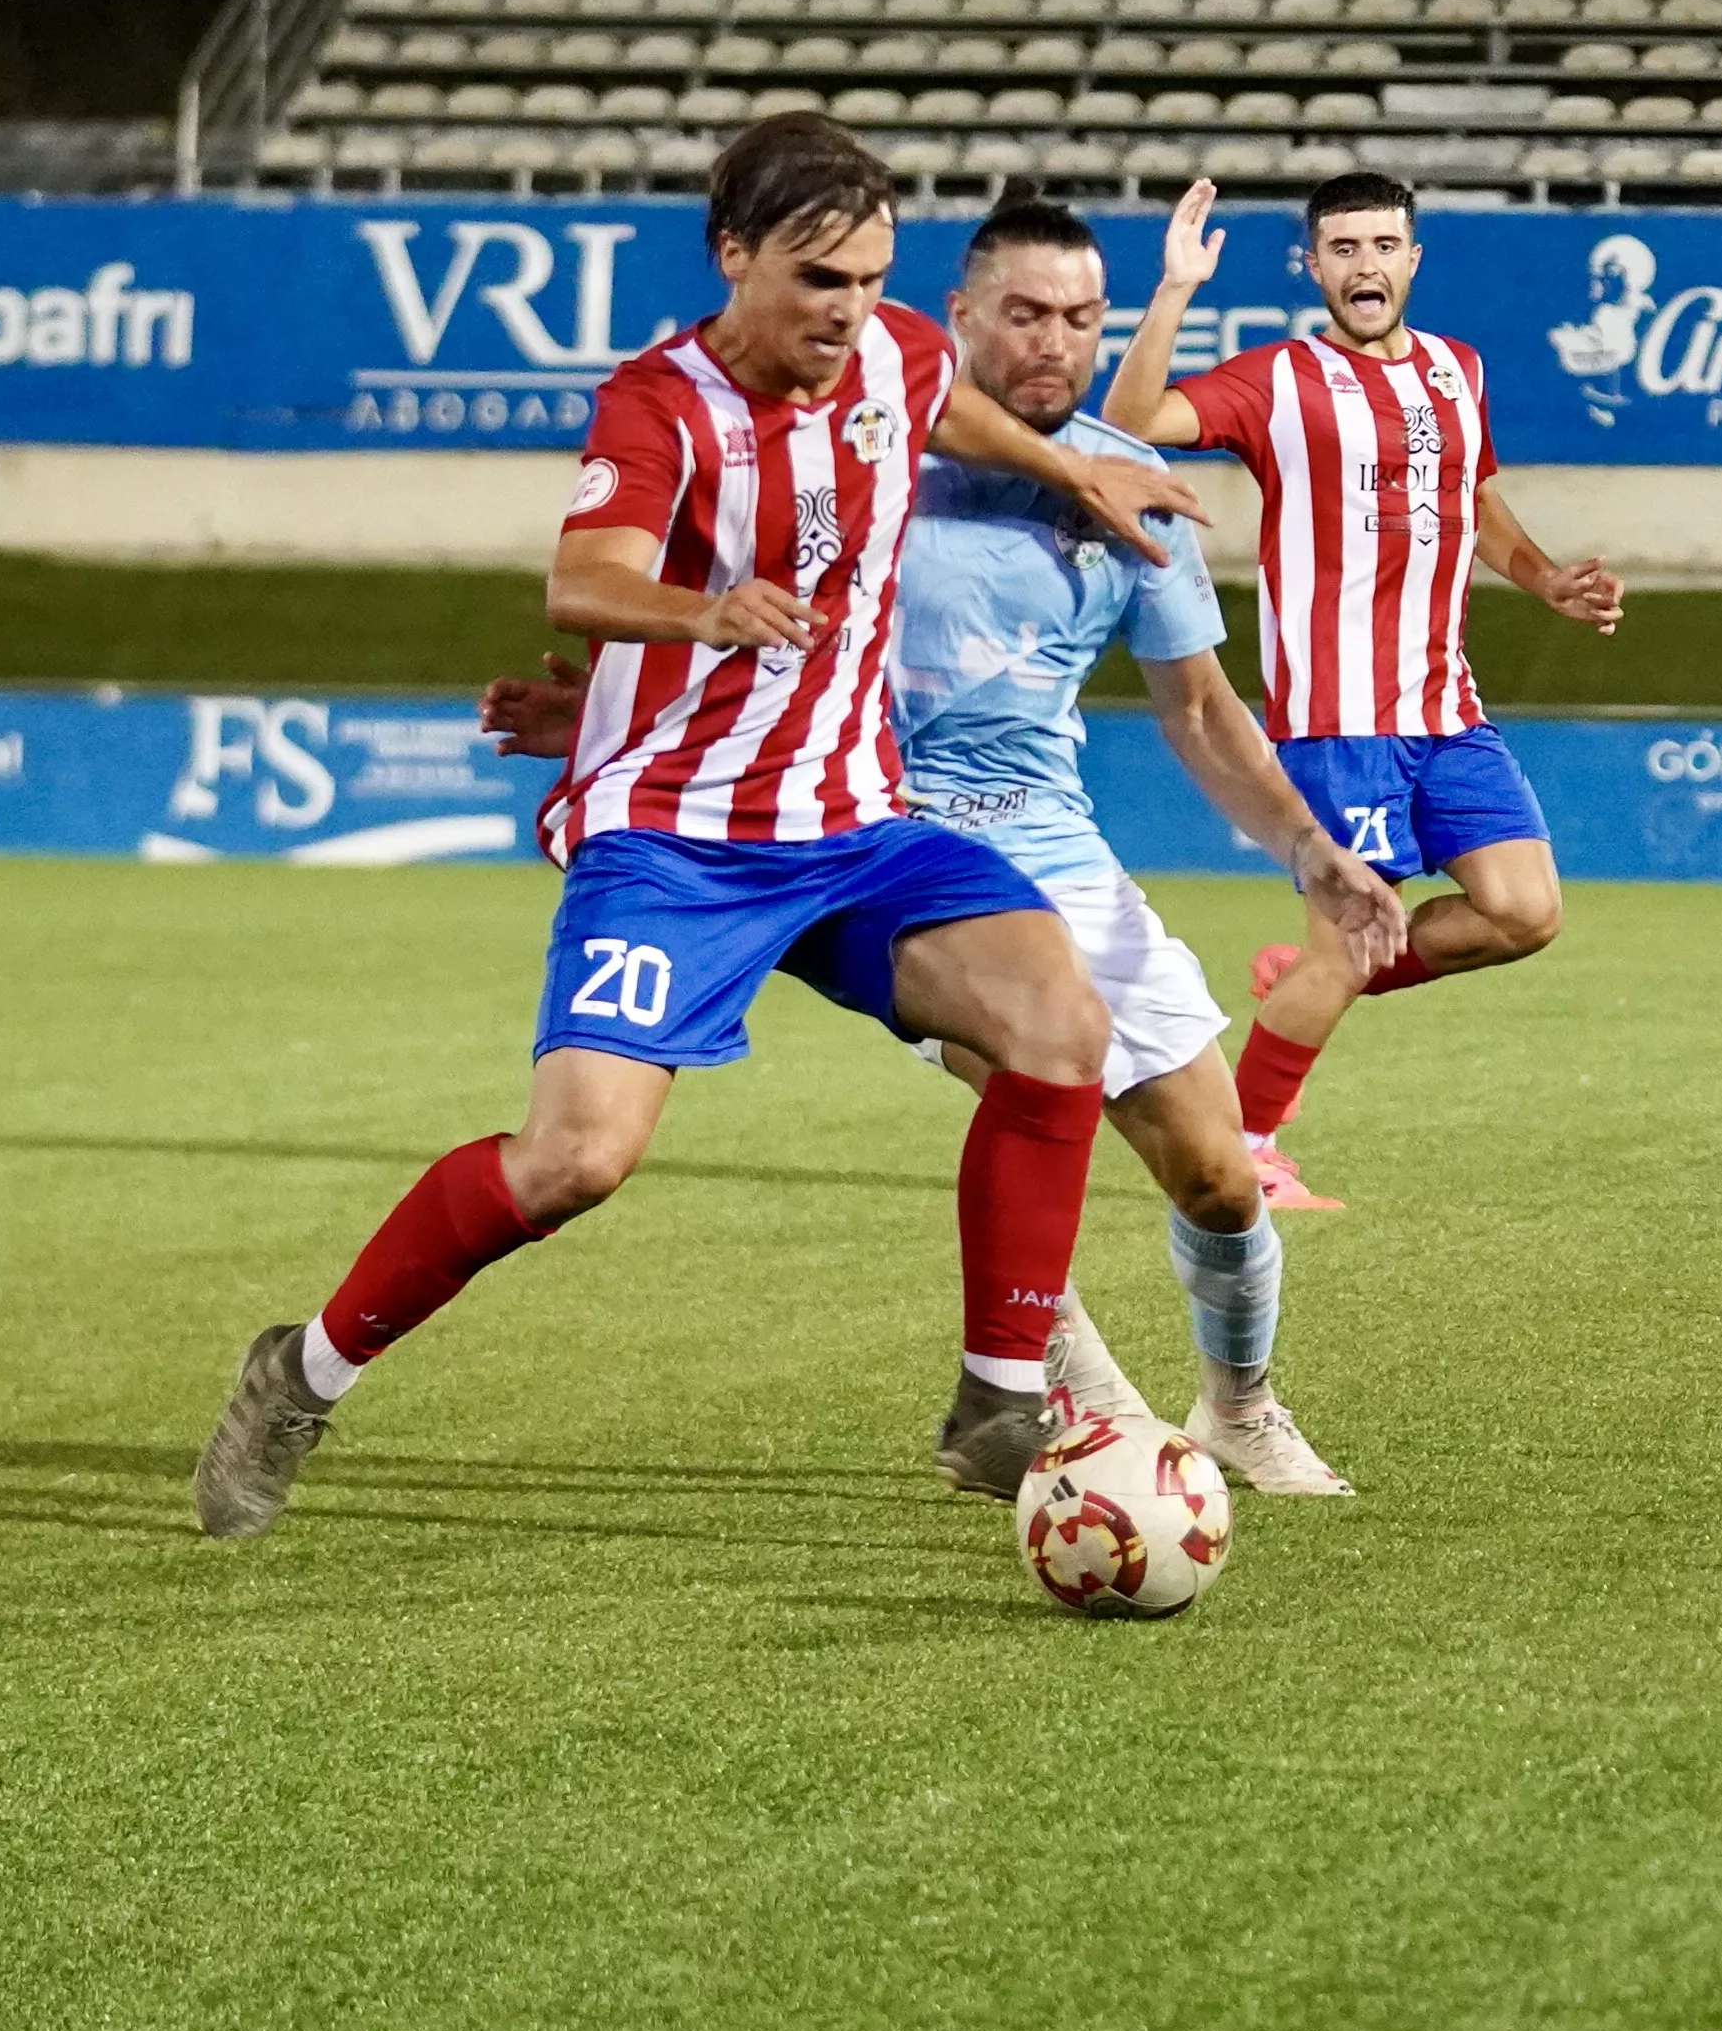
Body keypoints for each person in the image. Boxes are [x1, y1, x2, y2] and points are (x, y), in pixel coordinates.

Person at [193, 117, 1205, 1540]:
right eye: (815, 280)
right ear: (734, 258)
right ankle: (298, 1373)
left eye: (867, 278)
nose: (847, 313)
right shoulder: (658, 405)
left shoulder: (897, 356)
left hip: (855, 826)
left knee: (1059, 1028)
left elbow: (937, 404)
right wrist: (702, 618)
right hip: (676, 844)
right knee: (576, 1162)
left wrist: (1076, 472)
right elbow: (585, 578)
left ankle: (994, 1401)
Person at [477, 197, 1410, 1495]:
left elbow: (1200, 712)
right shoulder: (851, 459)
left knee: (1213, 1173)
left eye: (1080, 319)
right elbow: (746, 649)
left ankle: (1238, 1406)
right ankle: (1064, 1412)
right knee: (1042, 1086)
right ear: (956, 319)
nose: (1055, 342)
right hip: (883, 849)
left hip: (1057, 848)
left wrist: (1313, 853)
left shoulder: (1118, 484)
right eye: (1024, 314)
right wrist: (597, 719)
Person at [1102, 174, 1624, 1210]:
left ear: (1412, 258)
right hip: (1340, 723)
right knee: (1343, 944)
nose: (1365, 265)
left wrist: (1547, 578)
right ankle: (1245, 1143)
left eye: (1383, 245)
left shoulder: (1456, 370)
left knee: (1525, 911)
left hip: (1448, 711)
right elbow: (1129, 420)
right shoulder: (1277, 380)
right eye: (1341, 248)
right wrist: (1173, 289)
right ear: (1314, 267)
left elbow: (1474, 499)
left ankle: (1322, 975)